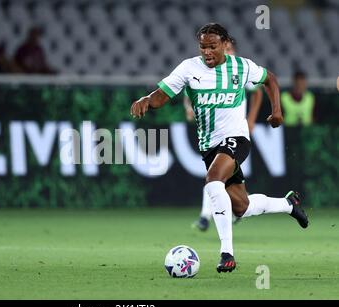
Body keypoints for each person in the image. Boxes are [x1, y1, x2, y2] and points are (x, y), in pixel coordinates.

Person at [130, 23, 309, 273]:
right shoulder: (188, 68)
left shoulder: (241, 66)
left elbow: (270, 79)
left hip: (237, 137)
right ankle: (289, 204)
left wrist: (276, 110)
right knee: (241, 207)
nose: (207, 52)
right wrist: (146, 100)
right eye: (203, 47)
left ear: (225, 44)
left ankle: (227, 254)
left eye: (212, 46)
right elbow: (162, 95)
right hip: (209, 146)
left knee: (213, 180)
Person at [190, 37, 263, 231]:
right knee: (216, 177)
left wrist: (252, 119)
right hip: (213, 133)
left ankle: (208, 216)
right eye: (226, 49)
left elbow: (257, 92)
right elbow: (190, 88)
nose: (227, 52)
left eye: (230, 49)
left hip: (235, 131)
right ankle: (221, 214)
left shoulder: (239, 69)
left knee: (216, 176)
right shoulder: (208, 71)